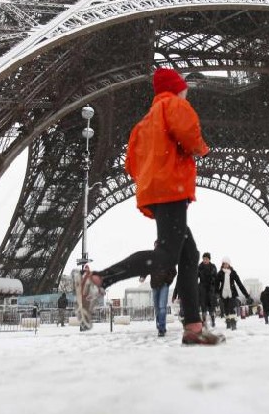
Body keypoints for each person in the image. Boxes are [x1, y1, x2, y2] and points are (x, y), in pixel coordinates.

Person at [73, 68, 224, 345]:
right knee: (167, 256)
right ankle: (98, 280)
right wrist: (201, 149)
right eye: (183, 87)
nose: (186, 91)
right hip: (172, 188)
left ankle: (193, 327)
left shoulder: (143, 123)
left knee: (189, 255)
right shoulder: (175, 105)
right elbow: (190, 137)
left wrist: (152, 177)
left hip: (155, 191)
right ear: (177, 88)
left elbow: (130, 163)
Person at [215, 256, 251, 330]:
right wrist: (216, 294)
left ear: (229, 264)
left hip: (232, 294)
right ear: (222, 264)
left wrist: (247, 295)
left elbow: (239, 284)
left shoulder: (233, 273)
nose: (225, 265)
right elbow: (216, 285)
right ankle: (228, 322)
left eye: (227, 263)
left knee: (231, 308)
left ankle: (233, 323)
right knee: (226, 310)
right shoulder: (220, 273)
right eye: (224, 263)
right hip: (223, 295)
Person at [140, 265, 177, 337]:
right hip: (154, 285)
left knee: (162, 306)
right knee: (157, 308)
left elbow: (174, 271)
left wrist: (168, 281)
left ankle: (161, 328)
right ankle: (160, 324)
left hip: (164, 285)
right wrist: (143, 276)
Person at [197, 252, 218, 327]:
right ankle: (204, 321)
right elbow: (196, 277)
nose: (205, 260)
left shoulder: (213, 267)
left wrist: (216, 288)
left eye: (206, 259)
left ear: (209, 259)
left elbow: (216, 278)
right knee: (203, 305)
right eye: (204, 259)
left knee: (211, 306)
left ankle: (213, 320)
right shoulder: (199, 267)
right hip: (202, 288)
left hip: (211, 288)